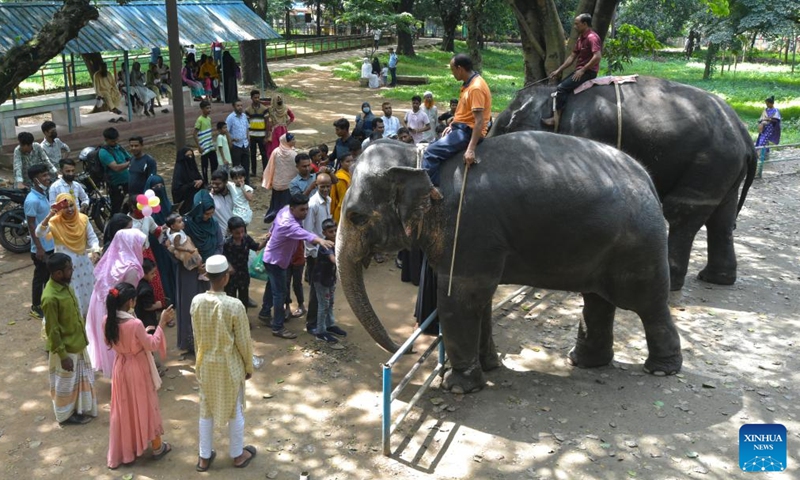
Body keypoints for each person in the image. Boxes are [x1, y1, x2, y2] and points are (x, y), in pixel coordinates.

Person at [190, 255, 257, 471]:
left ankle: (203, 457)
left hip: (205, 363)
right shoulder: (234, 305)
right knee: (234, 410)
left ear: (208, 276)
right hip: (229, 366)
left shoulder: (197, 301)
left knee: (206, 410)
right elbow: (244, 341)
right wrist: (248, 366)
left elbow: (196, 335)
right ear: (226, 277)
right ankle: (238, 455)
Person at [105, 282, 174, 469]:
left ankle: (128, 450)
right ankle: (157, 447)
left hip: (120, 367)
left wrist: (142, 335)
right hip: (137, 367)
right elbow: (152, 345)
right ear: (130, 302)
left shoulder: (107, 320)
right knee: (146, 405)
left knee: (124, 408)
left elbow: (111, 342)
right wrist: (161, 324)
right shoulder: (134, 323)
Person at [258, 194, 334, 338]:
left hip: (273, 258)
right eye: (302, 210)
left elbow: (275, 226)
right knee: (279, 294)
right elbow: (304, 234)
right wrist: (320, 241)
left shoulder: (285, 209)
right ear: (292, 208)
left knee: (272, 288)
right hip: (276, 261)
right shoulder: (288, 223)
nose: (305, 212)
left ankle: (265, 312)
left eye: (306, 209)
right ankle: (278, 327)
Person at [422, 53, 492, 195]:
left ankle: (432, 189)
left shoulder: (476, 88)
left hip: (467, 132)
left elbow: (479, 121)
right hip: (460, 128)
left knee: (430, 153)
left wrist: (471, 149)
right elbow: (465, 113)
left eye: (452, 70)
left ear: (460, 69)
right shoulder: (469, 84)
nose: (452, 73)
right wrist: (453, 124)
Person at [42, 253, 98, 425]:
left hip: (78, 342)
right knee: (66, 384)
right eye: (69, 269)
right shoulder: (50, 297)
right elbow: (53, 330)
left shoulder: (66, 286)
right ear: (58, 273)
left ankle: (78, 408)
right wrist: (63, 355)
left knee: (78, 380)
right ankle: (65, 415)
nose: (72, 271)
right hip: (66, 349)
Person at [86, 229, 147, 378]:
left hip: (99, 302)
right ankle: (125, 376)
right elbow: (128, 295)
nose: (144, 248)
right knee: (123, 341)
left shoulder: (113, 256)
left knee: (110, 341)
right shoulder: (131, 267)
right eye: (141, 244)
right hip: (115, 306)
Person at [36, 192, 100, 318]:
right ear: (59, 208)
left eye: (72, 205)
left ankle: (90, 325)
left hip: (83, 266)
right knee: (71, 295)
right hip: (64, 269)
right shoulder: (54, 222)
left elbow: (92, 238)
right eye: (65, 207)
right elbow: (39, 233)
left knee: (88, 295)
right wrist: (50, 215)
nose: (70, 209)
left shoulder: (83, 219)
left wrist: (96, 250)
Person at [177, 191, 223, 353]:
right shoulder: (185, 225)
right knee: (191, 305)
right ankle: (192, 343)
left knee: (210, 306)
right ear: (197, 210)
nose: (208, 217)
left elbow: (219, 245)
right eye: (206, 214)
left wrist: (210, 263)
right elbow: (180, 247)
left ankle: (210, 341)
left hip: (210, 271)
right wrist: (196, 263)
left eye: (211, 214)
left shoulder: (214, 224)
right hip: (189, 271)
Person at [542, 13, 602, 128]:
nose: (575, 27)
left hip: (588, 72)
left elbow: (597, 57)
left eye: (577, 24)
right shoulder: (581, 38)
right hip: (580, 70)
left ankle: (555, 120)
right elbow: (572, 57)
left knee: (561, 88)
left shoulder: (592, 38)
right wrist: (558, 70)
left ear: (585, 24)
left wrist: (583, 70)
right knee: (561, 86)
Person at [301, 172, 332, 334]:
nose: (325, 189)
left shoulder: (329, 201)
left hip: (327, 251)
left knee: (327, 289)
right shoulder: (312, 204)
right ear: (316, 186)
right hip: (316, 254)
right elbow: (308, 232)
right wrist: (313, 254)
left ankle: (326, 321)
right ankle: (312, 323)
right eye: (322, 186)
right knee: (316, 290)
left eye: (327, 186)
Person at [25, 164, 55, 319]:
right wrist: (39, 248)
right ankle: (35, 306)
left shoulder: (44, 194)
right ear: (35, 180)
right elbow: (31, 224)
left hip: (50, 244)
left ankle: (46, 302)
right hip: (41, 247)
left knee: (49, 277)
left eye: (47, 174)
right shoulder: (32, 200)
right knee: (40, 277)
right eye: (44, 176)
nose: (47, 178)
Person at [143, 174, 176, 317]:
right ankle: (166, 301)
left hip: (168, 243)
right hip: (155, 246)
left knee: (172, 269)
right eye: (155, 187)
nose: (159, 189)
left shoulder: (167, 204)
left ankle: (176, 298)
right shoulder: (146, 211)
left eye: (161, 186)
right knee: (160, 272)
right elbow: (148, 230)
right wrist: (158, 229)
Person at [312, 219, 346, 345]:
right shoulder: (325, 245)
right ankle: (320, 332)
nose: (334, 233)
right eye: (331, 231)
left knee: (330, 302)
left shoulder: (335, 242)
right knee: (323, 305)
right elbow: (333, 259)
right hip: (321, 280)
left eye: (336, 230)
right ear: (324, 233)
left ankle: (330, 325)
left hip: (330, 278)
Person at [128, 197, 167, 306]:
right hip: (134, 255)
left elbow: (155, 230)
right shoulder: (127, 221)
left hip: (148, 253)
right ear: (132, 207)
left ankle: (159, 305)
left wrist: (163, 228)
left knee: (153, 279)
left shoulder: (148, 217)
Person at [223, 216, 267, 309]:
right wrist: (228, 266)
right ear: (231, 232)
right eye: (237, 233)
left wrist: (267, 240)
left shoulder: (246, 239)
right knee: (231, 299)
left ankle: (243, 320)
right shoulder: (227, 243)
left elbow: (257, 247)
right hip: (230, 276)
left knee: (244, 298)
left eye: (242, 232)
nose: (240, 235)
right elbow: (223, 257)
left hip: (243, 274)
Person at [262, 133, 297, 224]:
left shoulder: (276, 151)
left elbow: (271, 166)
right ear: (287, 142)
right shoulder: (293, 154)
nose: (295, 141)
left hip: (277, 183)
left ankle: (274, 214)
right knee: (286, 205)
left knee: (276, 202)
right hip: (288, 184)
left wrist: (269, 180)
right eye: (292, 139)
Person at [98, 127, 132, 214]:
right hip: (116, 184)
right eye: (113, 141)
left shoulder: (118, 147)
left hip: (127, 181)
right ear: (106, 140)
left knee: (130, 205)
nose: (116, 142)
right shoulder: (104, 152)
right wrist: (130, 163)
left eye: (117, 140)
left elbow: (129, 157)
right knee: (117, 208)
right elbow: (116, 167)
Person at [165, 213, 204, 280]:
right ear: (173, 226)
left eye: (182, 221)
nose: (182, 223)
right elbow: (177, 246)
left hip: (184, 242)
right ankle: (201, 272)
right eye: (179, 222)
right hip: (184, 248)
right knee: (198, 258)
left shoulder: (169, 230)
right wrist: (188, 250)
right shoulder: (177, 236)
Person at [171, 147, 204, 215]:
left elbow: (200, 178)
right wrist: (192, 184)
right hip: (186, 203)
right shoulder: (179, 170)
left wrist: (201, 181)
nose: (190, 157)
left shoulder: (193, 167)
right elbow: (177, 189)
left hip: (197, 201)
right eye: (187, 156)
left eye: (191, 155)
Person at [226, 99, 251, 184]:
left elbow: (247, 127)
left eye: (241, 105)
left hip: (245, 144)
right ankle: (236, 183)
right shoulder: (230, 118)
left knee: (246, 165)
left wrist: (248, 138)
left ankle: (247, 182)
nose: (240, 107)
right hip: (236, 146)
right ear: (234, 107)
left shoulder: (244, 116)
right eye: (238, 106)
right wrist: (231, 140)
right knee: (236, 166)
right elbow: (226, 131)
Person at [245, 90, 269, 176]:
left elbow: (267, 123)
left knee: (264, 154)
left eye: (258, 97)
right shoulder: (248, 110)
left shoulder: (264, 109)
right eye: (255, 97)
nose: (257, 99)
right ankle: (254, 172)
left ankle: (265, 171)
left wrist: (266, 136)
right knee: (252, 154)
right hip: (252, 135)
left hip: (262, 135)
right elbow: (247, 124)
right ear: (251, 98)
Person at [194, 100, 219, 184]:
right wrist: (199, 146)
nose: (209, 110)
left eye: (210, 108)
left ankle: (213, 180)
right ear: (202, 109)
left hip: (210, 145)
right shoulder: (199, 120)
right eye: (207, 108)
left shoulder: (209, 119)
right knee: (205, 166)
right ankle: (205, 182)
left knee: (214, 163)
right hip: (204, 147)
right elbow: (194, 134)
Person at [266, 94, 295, 159]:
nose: (279, 101)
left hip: (275, 131)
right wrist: (285, 124)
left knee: (275, 149)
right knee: (283, 147)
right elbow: (292, 117)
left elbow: (292, 117)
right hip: (283, 130)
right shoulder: (285, 108)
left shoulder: (271, 109)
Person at [756, 96, 781, 164]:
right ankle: (766, 155)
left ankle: (760, 156)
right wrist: (761, 121)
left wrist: (768, 119)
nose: (767, 105)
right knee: (764, 140)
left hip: (770, 128)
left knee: (763, 141)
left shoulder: (775, 110)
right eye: (766, 104)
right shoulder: (765, 110)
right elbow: (761, 118)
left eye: (768, 103)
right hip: (763, 128)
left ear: (771, 103)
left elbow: (776, 120)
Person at [330, 153, 354, 224]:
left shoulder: (349, 173)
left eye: (352, 161)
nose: (351, 163)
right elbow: (343, 197)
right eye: (347, 161)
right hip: (343, 210)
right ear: (341, 163)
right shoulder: (340, 177)